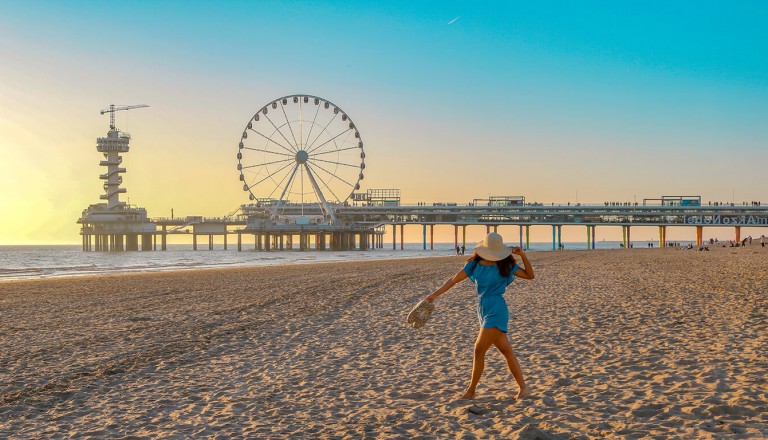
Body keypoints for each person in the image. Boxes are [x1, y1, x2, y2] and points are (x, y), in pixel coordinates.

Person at [425, 232, 535, 400]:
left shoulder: (505, 265)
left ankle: (471, 391)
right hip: (482, 308)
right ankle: (524, 388)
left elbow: (530, 275)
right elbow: (453, 280)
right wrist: (434, 295)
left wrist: (523, 255)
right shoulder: (474, 265)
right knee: (506, 350)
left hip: (497, 309)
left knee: (478, 349)